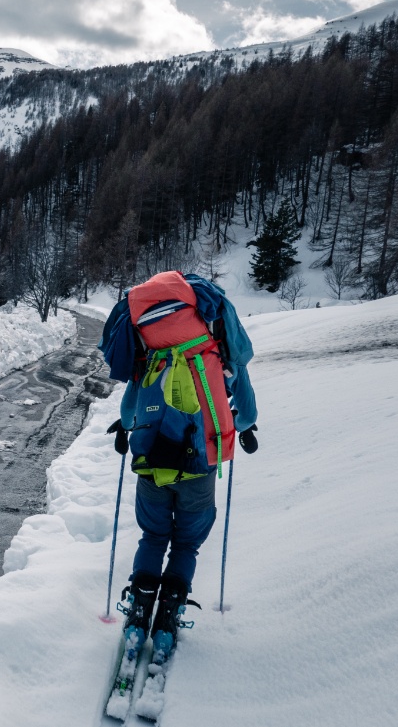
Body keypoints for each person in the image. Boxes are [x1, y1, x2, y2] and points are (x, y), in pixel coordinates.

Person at [105, 271, 258, 663]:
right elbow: (242, 397)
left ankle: (139, 612)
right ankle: (169, 615)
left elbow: (132, 399)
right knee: (186, 542)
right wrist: (244, 427)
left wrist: (125, 429)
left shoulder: (151, 352)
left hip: (151, 461)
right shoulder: (214, 349)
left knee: (153, 537)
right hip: (200, 462)